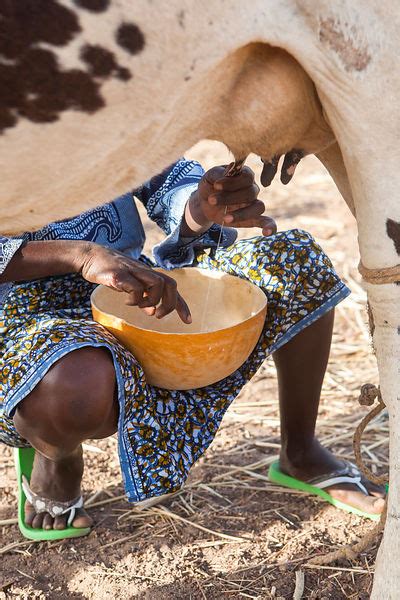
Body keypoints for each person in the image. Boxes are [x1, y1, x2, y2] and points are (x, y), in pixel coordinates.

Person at [0, 159, 384, 534]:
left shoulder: (105, 108)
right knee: (75, 384)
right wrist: (79, 255)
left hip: (136, 284)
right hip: (26, 315)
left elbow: (161, 176)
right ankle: (57, 456)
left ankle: (300, 452)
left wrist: (203, 205)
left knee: (295, 267)